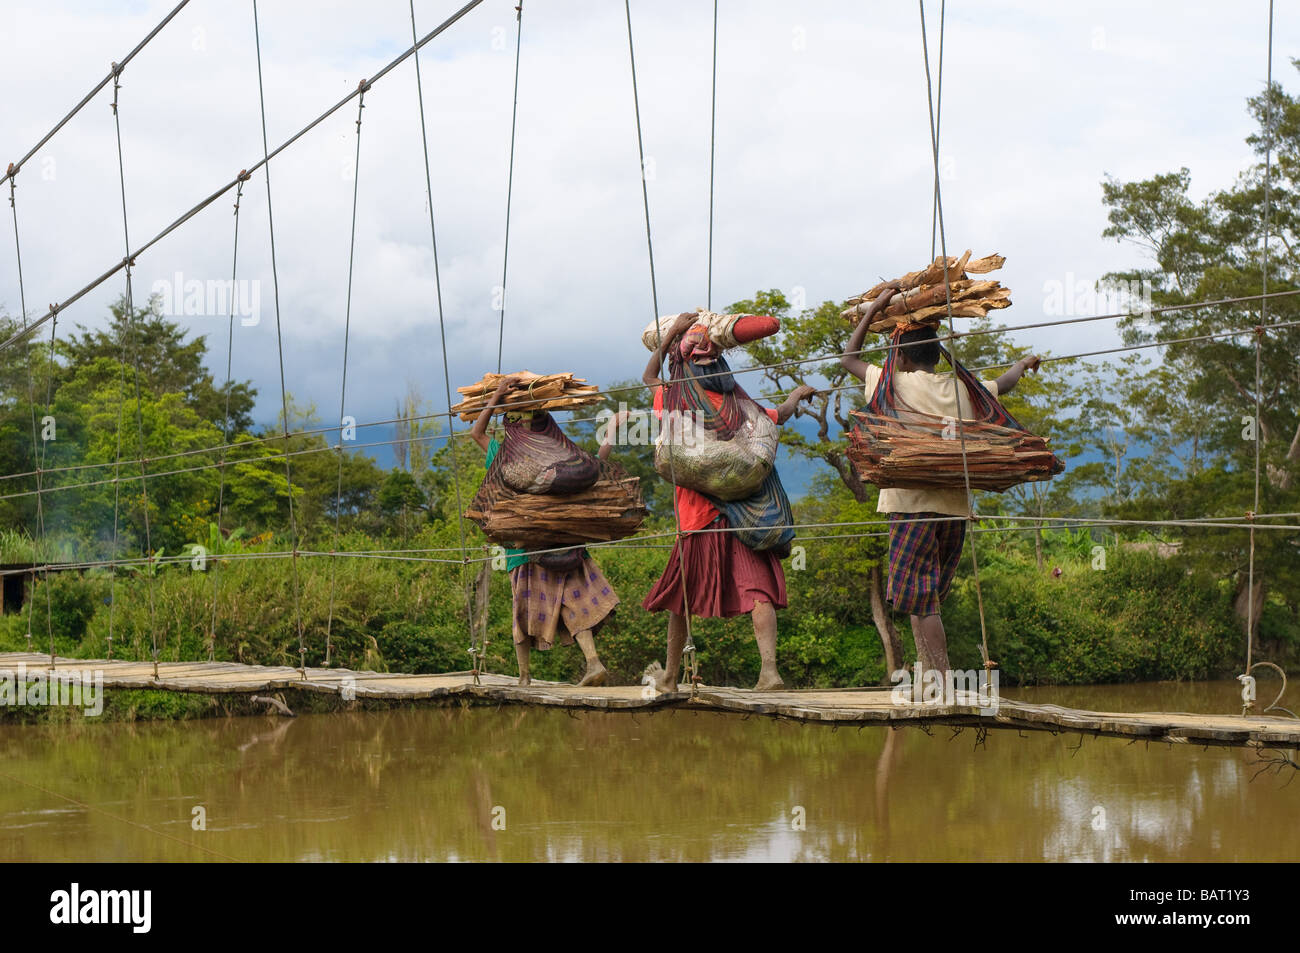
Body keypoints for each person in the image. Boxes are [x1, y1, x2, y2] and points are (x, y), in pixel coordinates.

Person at [840, 286, 1041, 674]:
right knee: (924, 598)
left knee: (923, 601)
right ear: (936, 355)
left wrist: (875, 310)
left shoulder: (893, 382)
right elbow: (1005, 383)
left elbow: (848, 357)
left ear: (900, 356)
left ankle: (941, 676)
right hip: (954, 508)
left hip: (911, 506)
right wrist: (1025, 361)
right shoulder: (965, 389)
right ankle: (929, 673)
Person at [641, 311, 817, 693]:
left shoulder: (675, 396)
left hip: (699, 517)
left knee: (681, 600)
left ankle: (670, 677)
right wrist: (796, 396)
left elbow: (649, 378)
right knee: (759, 592)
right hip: (747, 513)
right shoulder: (742, 401)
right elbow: (779, 416)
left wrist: (673, 334)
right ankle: (768, 672)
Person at [469, 376, 618, 688]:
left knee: (522, 614)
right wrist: (613, 431)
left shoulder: (504, 453)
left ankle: (525, 677)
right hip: (565, 546)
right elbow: (597, 468)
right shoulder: (561, 456)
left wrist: (496, 396)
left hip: (525, 551)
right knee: (575, 604)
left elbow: (476, 432)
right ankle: (593, 661)